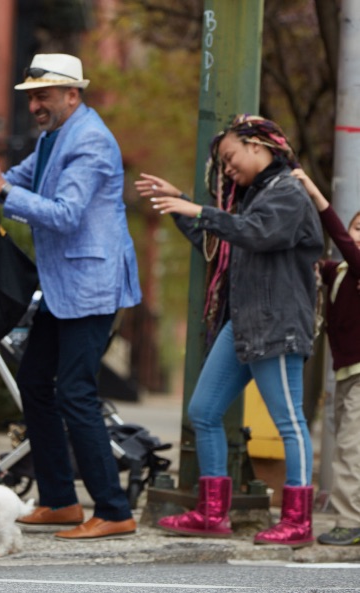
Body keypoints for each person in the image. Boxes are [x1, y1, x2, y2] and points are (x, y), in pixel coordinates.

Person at [0, 53, 142, 540]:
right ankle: (60, 501)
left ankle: (113, 509)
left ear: (72, 94)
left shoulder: (89, 141)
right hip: (66, 286)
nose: (35, 106)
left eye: (43, 96)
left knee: (75, 392)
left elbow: (65, 214)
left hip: (92, 286)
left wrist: (3, 189)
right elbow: (16, 180)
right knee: (34, 381)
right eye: (31, 97)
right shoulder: (54, 137)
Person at [136, 114, 322, 547]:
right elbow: (222, 243)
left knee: (289, 421)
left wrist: (200, 209)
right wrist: (179, 203)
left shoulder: (289, 192)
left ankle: (298, 521)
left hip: (276, 325)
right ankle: (212, 513)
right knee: (203, 411)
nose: (226, 168)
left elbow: (257, 234)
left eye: (229, 156)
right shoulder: (258, 196)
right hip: (244, 323)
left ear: (257, 146)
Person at [291, 170, 360, 546]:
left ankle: (351, 522)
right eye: (357, 227)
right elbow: (315, 259)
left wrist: (316, 196)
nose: (358, 236)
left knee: (349, 448)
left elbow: (342, 243)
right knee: (350, 445)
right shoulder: (340, 271)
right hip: (346, 372)